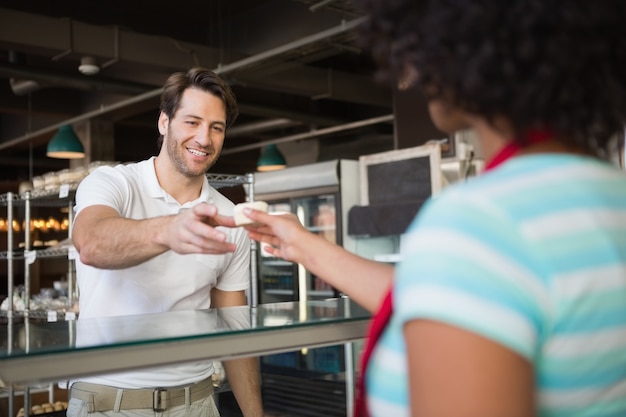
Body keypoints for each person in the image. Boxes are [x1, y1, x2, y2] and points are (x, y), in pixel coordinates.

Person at [240, 1, 626, 416]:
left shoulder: (479, 223)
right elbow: (460, 294)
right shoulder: (607, 196)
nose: (410, 72)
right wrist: (302, 245)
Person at [69, 67, 263, 417]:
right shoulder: (113, 183)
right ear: (164, 122)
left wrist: (255, 415)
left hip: (198, 402)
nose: (204, 138)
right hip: (109, 403)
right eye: (192, 122)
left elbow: (235, 329)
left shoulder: (229, 216)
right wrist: (170, 230)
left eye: (216, 127)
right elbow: (91, 244)